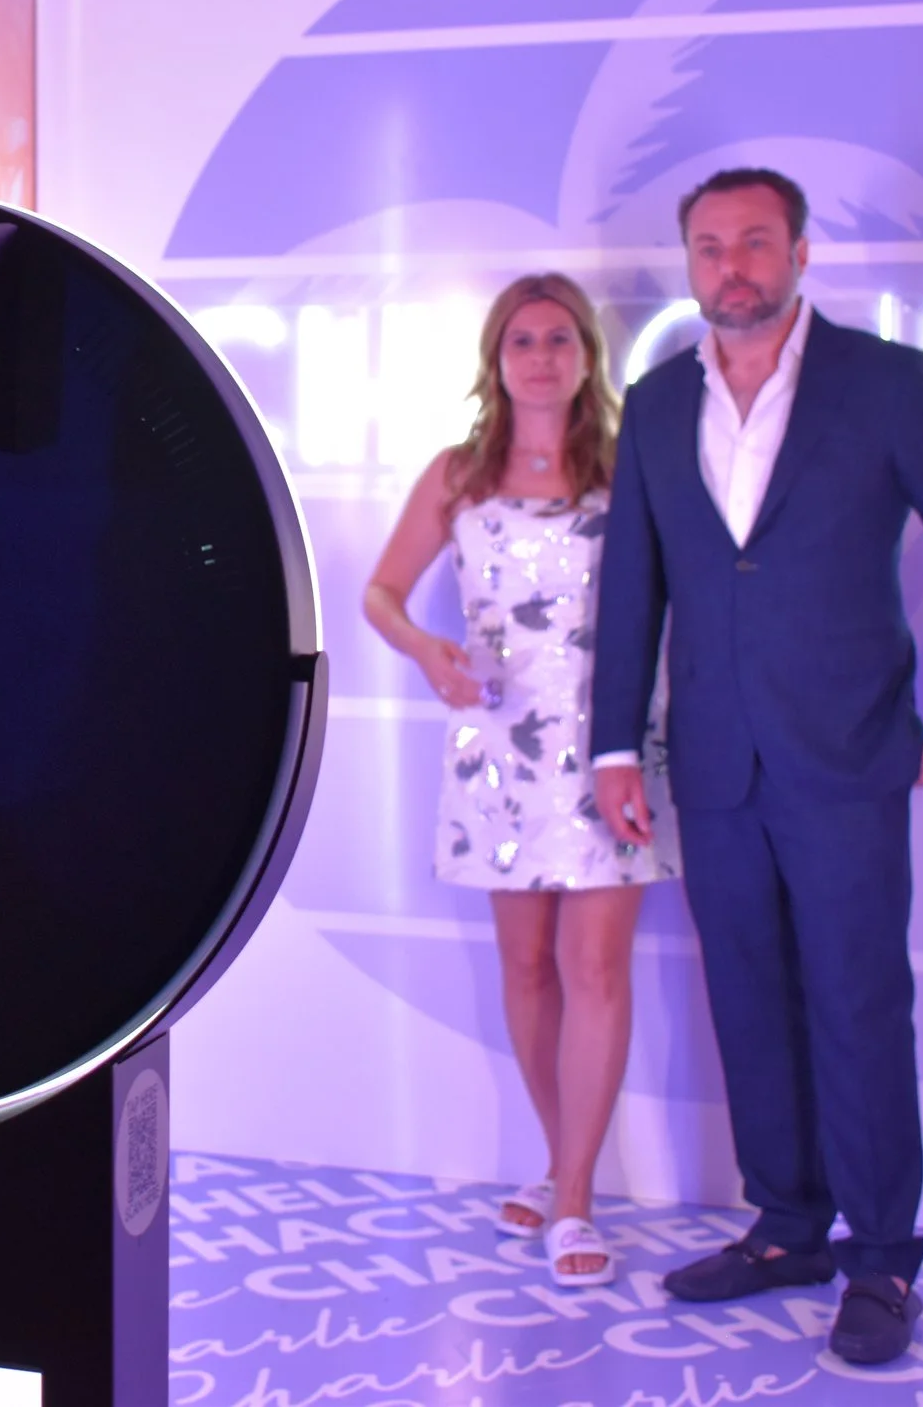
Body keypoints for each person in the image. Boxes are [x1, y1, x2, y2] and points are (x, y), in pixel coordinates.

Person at [590, 169, 923, 1366]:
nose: (729, 265)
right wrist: (616, 741)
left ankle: (881, 1256)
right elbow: (633, 586)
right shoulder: (656, 399)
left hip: (846, 751)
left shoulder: (883, 383)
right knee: (747, 999)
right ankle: (787, 1223)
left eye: (753, 241)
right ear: (689, 261)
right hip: (713, 760)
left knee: (855, 1001)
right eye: (708, 245)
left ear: (797, 253)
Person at [365, 272, 678, 1290]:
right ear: (496, 360)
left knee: (596, 969)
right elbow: (381, 592)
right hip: (499, 746)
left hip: (613, 744)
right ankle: (559, 1162)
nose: (540, 357)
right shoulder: (458, 473)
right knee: (529, 967)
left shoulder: (630, 469)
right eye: (521, 341)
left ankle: (574, 1196)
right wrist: (427, 650)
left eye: (558, 338)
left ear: (588, 355)